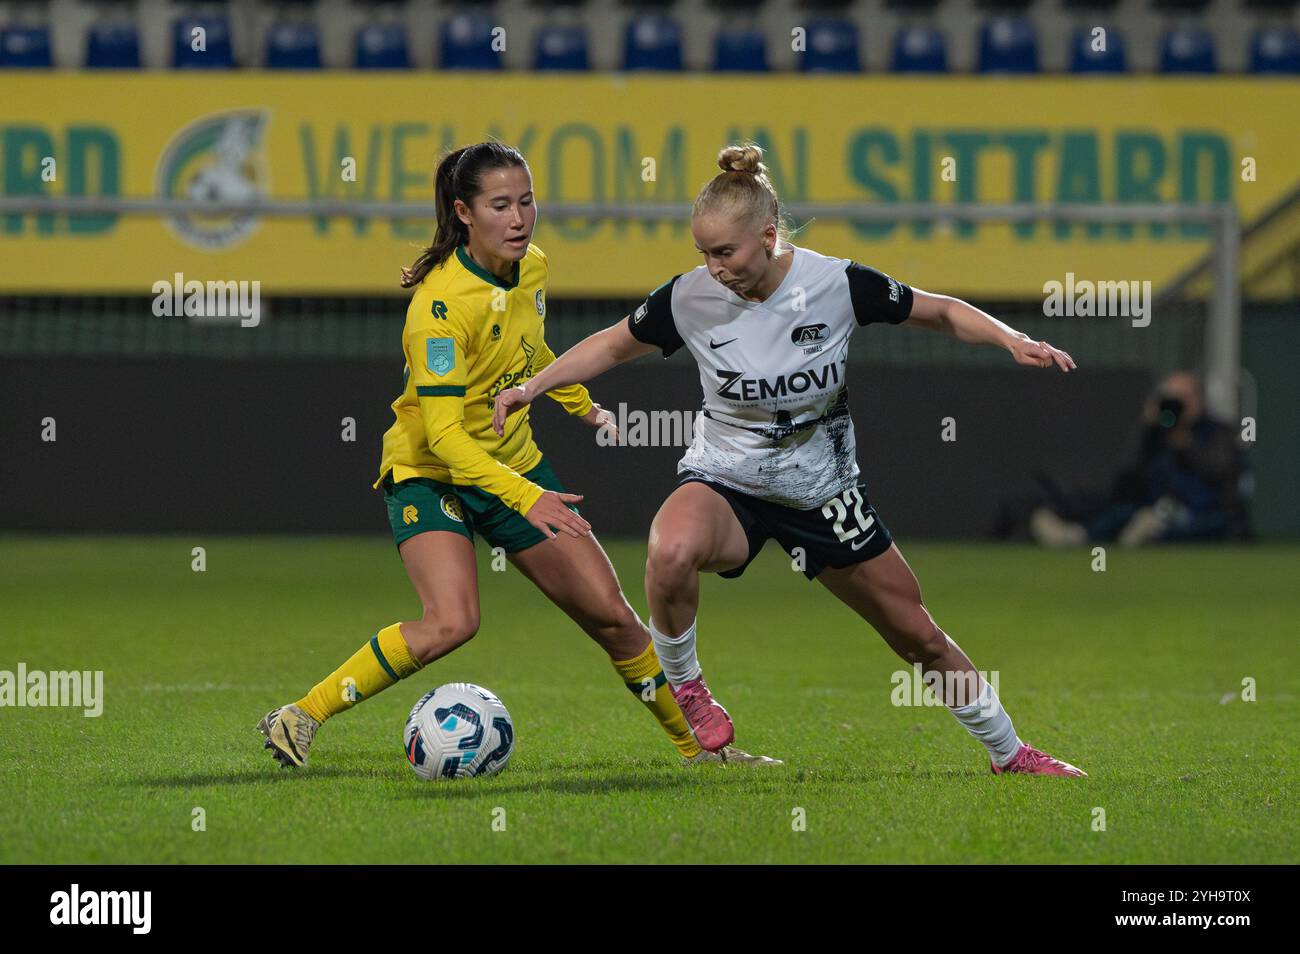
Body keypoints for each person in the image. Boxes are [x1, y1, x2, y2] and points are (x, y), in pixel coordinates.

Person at [494, 142, 1086, 776]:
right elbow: (610, 347)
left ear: (769, 236)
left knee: (917, 635)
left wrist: (1012, 339)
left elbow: (938, 311)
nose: (713, 267)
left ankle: (1009, 752)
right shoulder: (689, 298)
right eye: (703, 253)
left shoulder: (836, 284)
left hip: (823, 491)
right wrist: (533, 387)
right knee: (669, 549)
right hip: (727, 480)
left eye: (725, 252)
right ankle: (687, 687)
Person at [258, 140, 777, 769]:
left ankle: (699, 750)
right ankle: (300, 717)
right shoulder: (439, 309)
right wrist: (528, 496)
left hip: (514, 465)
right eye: (500, 205)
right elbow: (446, 437)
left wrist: (578, 403)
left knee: (613, 618)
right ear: (464, 213)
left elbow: (528, 348)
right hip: (430, 473)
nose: (519, 218)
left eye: (526, 201)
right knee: (452, 622)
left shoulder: (531, 266)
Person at [1030, 371, 1249, 547]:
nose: (1175, 406)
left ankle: (1149, 536)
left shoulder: (1218, 432)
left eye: (1181, 399)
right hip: (1150, 509)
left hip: (1199, 512)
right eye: (1168, 399)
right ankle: (1077, 535)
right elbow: (1126, 476)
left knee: (1211, 524)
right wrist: (1147, 428)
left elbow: (1220, 470)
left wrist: (1186, 443)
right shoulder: (1154, 433)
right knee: (1120, 511)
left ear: (1197, 400)